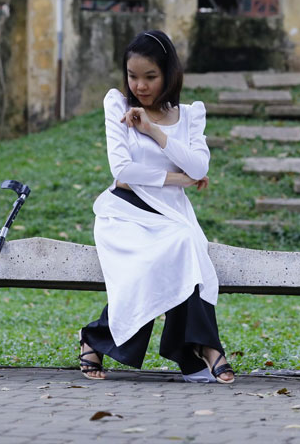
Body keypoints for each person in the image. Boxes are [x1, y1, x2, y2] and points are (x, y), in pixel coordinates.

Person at [77, 30, 235, 384]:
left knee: (183, 244)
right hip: (125, 213)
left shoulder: (190, 115)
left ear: (169, 74)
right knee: (176, 247)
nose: (140, 86)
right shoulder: (117, 105)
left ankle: (98, 338)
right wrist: (178, 179)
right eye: (133, 76)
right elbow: (122, 171)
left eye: (150, 76)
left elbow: (199, 167)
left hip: (170, 216)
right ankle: (204, 348)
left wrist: (153, 131)